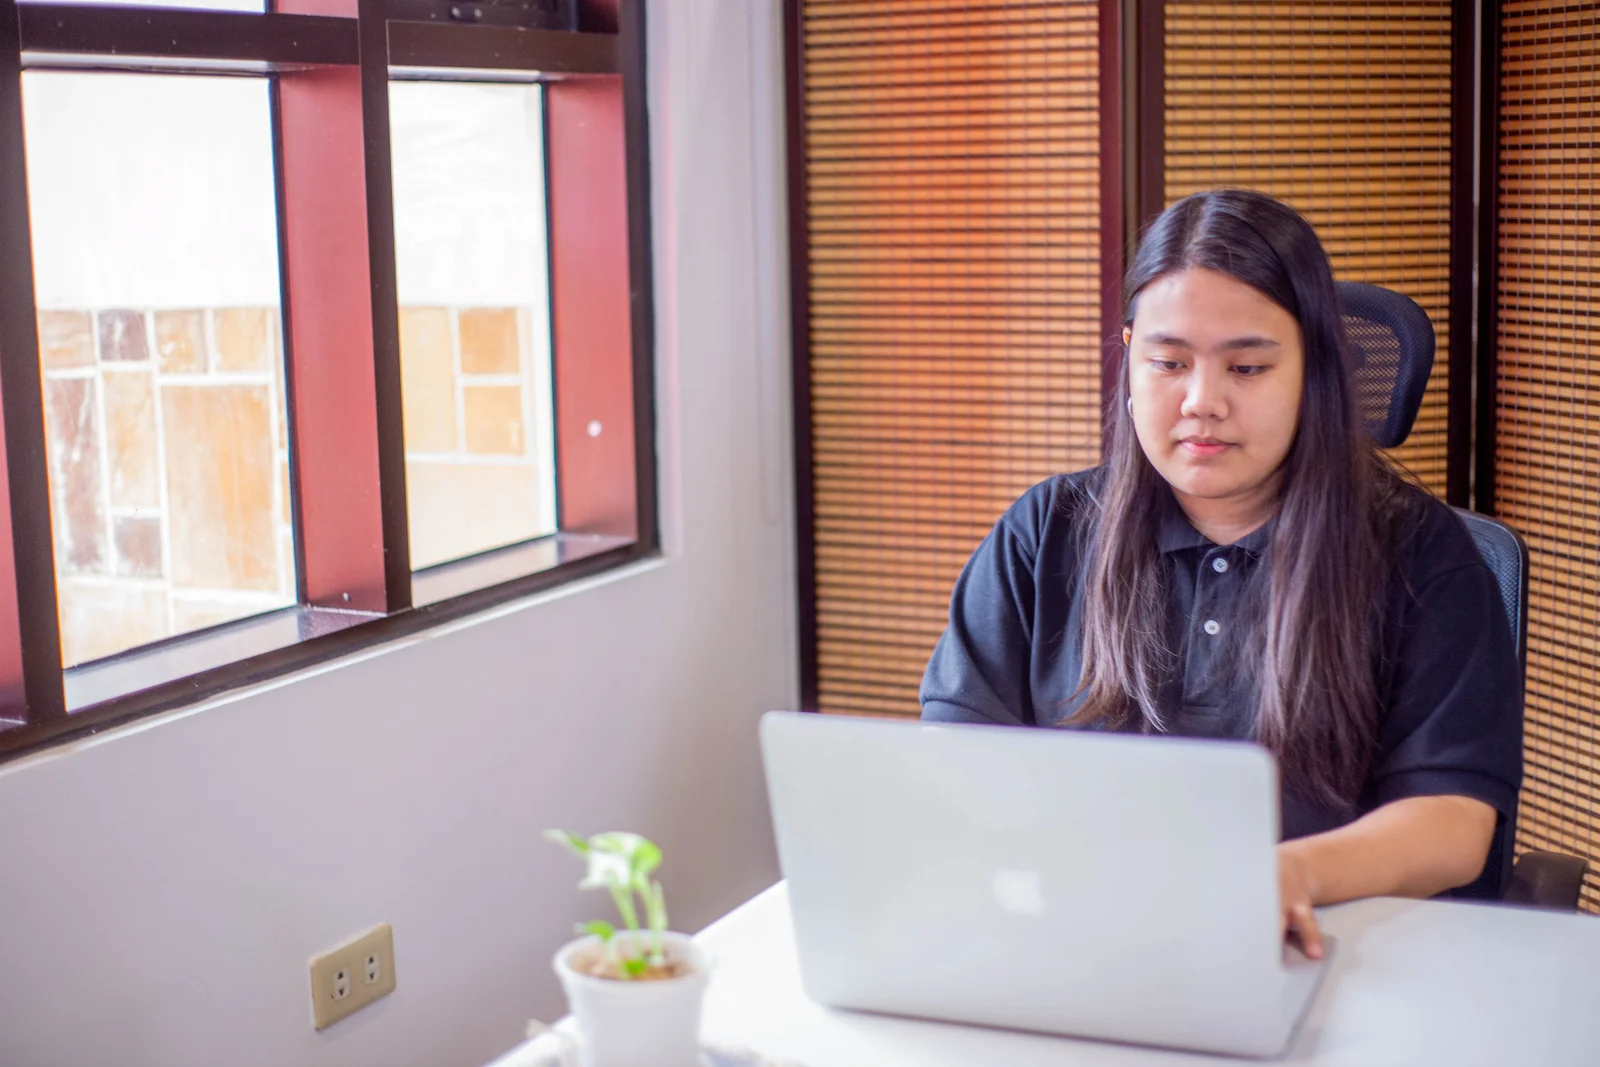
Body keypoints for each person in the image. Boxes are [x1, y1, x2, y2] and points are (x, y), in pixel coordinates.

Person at [920, 188, 1523, 959]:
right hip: (1076, 941)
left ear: (1315, 368)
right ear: (1130, 355)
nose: (1201, 401)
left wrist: (1289, 872)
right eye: (1168, 362)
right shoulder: (1047, 531)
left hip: (1325, 948)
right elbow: (954, 753)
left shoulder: (1420, 554)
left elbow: (1453, 818)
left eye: (1247, 366)